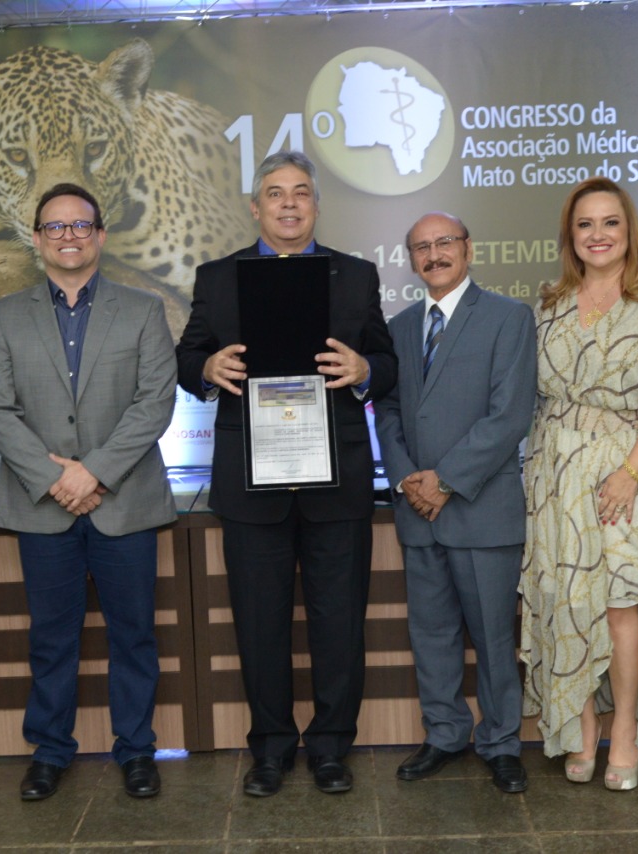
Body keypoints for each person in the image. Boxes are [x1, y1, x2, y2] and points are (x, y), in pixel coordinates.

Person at [175, 151, 397, 796]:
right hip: (251, 480)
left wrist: (365, 371)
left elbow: (386, 363)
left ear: (316, 205)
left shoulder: (356, 276)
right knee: (258, 622)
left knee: (339, 623)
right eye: (276, 193)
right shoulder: (218, 278)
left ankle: (331, 747)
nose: (290, 203)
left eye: (301, 192)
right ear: (256, 207)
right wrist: (206, 369)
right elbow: (187, 358)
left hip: (338, 478)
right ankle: (270, 748)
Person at [0, 183, 177, 802]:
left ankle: (136, 749)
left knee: (133, 635)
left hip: (125, 501)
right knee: (51, 637)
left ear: (101, 235)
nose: (69, 236)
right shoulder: (6, 314)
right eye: (56, 227)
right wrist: (56, 478)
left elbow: (155, 403)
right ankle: (50, 750)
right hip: (42, 506)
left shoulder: (142, 309)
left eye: (81, 225)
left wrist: (93, 472)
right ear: (38, 239)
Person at [520, 177, 638, 792]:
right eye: (585, 224)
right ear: (570, 235)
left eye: (610, 222)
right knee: (569, 602)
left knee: (622, 605)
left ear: (629, 231)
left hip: (628, 473)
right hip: (555, 475)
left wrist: (629, 473)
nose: (598, 235)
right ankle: (581, 723)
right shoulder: (550, 303)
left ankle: (625, 729)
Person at [374, 212, 536, 793]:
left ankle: (501, 742)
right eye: (421, 246)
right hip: (418, 512)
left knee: (493, 637)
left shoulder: (509, 317)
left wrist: (444, 481)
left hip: (480, 509)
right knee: (432, 634)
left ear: (468, 249)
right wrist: (406, 479)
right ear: (411, 259)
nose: (434, 254)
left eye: (445, 242)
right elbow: (387, 410)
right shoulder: (398, 327)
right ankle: (444, 734)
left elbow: (509, 414)